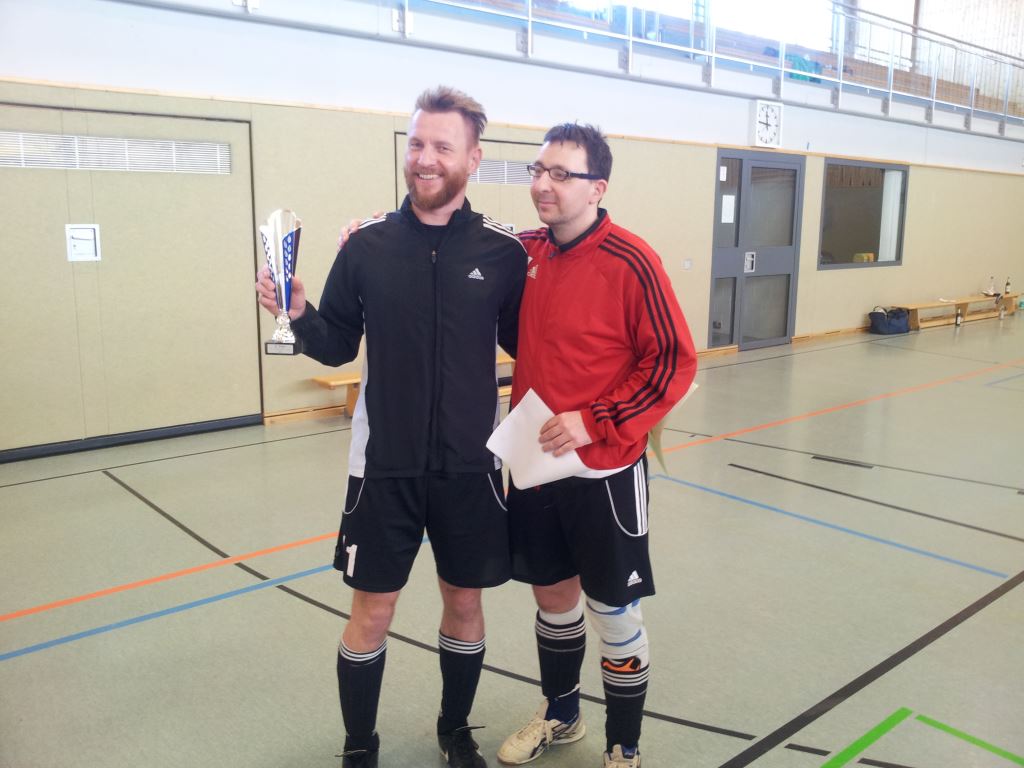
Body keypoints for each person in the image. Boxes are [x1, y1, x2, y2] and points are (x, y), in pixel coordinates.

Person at [256, 86, 526, 768]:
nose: (425, 159)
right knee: (371, 613)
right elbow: (337, 343)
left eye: (442, 146)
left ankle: (455, 731)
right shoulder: (368, 245)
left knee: (464, 603)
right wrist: (298, 312)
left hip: (470, 468)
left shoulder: (502, 252)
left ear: (473, 158)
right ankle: (359, 746)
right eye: (417, 144)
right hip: (383, 469)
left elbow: (533, 345)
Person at [495, 123, 697, 768]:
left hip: (603, 468)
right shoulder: (522, 251)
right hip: (535, 464)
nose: (543, 184)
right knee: (552, 598)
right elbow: (453, 238)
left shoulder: (632, 261)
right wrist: (373, 227)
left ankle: (624, 746)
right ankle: (562, 715)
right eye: (538, 170)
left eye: (561, 174)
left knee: (613, 609)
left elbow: (673, 362)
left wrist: (597, 419)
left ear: (597, 188)